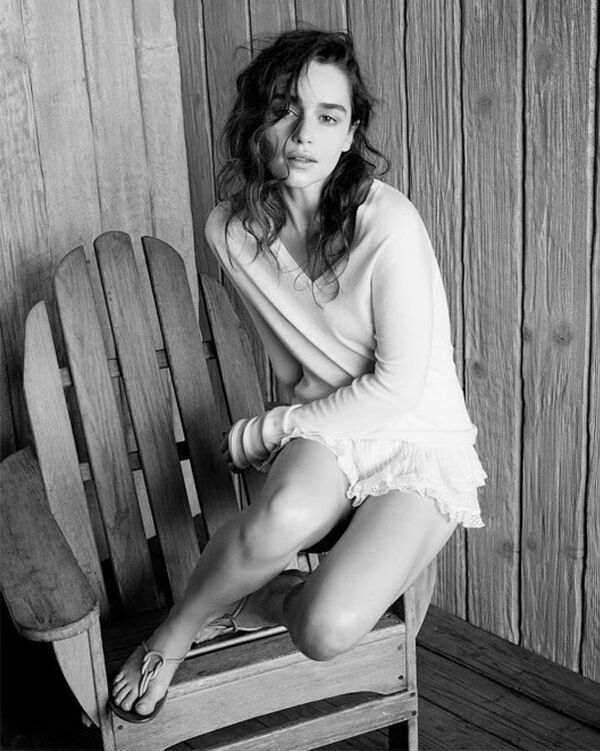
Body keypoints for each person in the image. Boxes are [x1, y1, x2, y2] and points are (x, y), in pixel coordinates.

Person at [110, 28, 487, 722]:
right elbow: (291, 359)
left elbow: (398, 387)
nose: (303, 133)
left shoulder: (388, 221)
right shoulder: (231, 231)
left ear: (350, 134)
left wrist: (271, 430)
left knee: (326, 628)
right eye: (285, 109)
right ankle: (175, 631)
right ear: (258, 120)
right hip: (334, 426)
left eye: (328, 116)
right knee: (282, 514)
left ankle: (258, 599)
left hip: (419, 437)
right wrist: (300, 455)